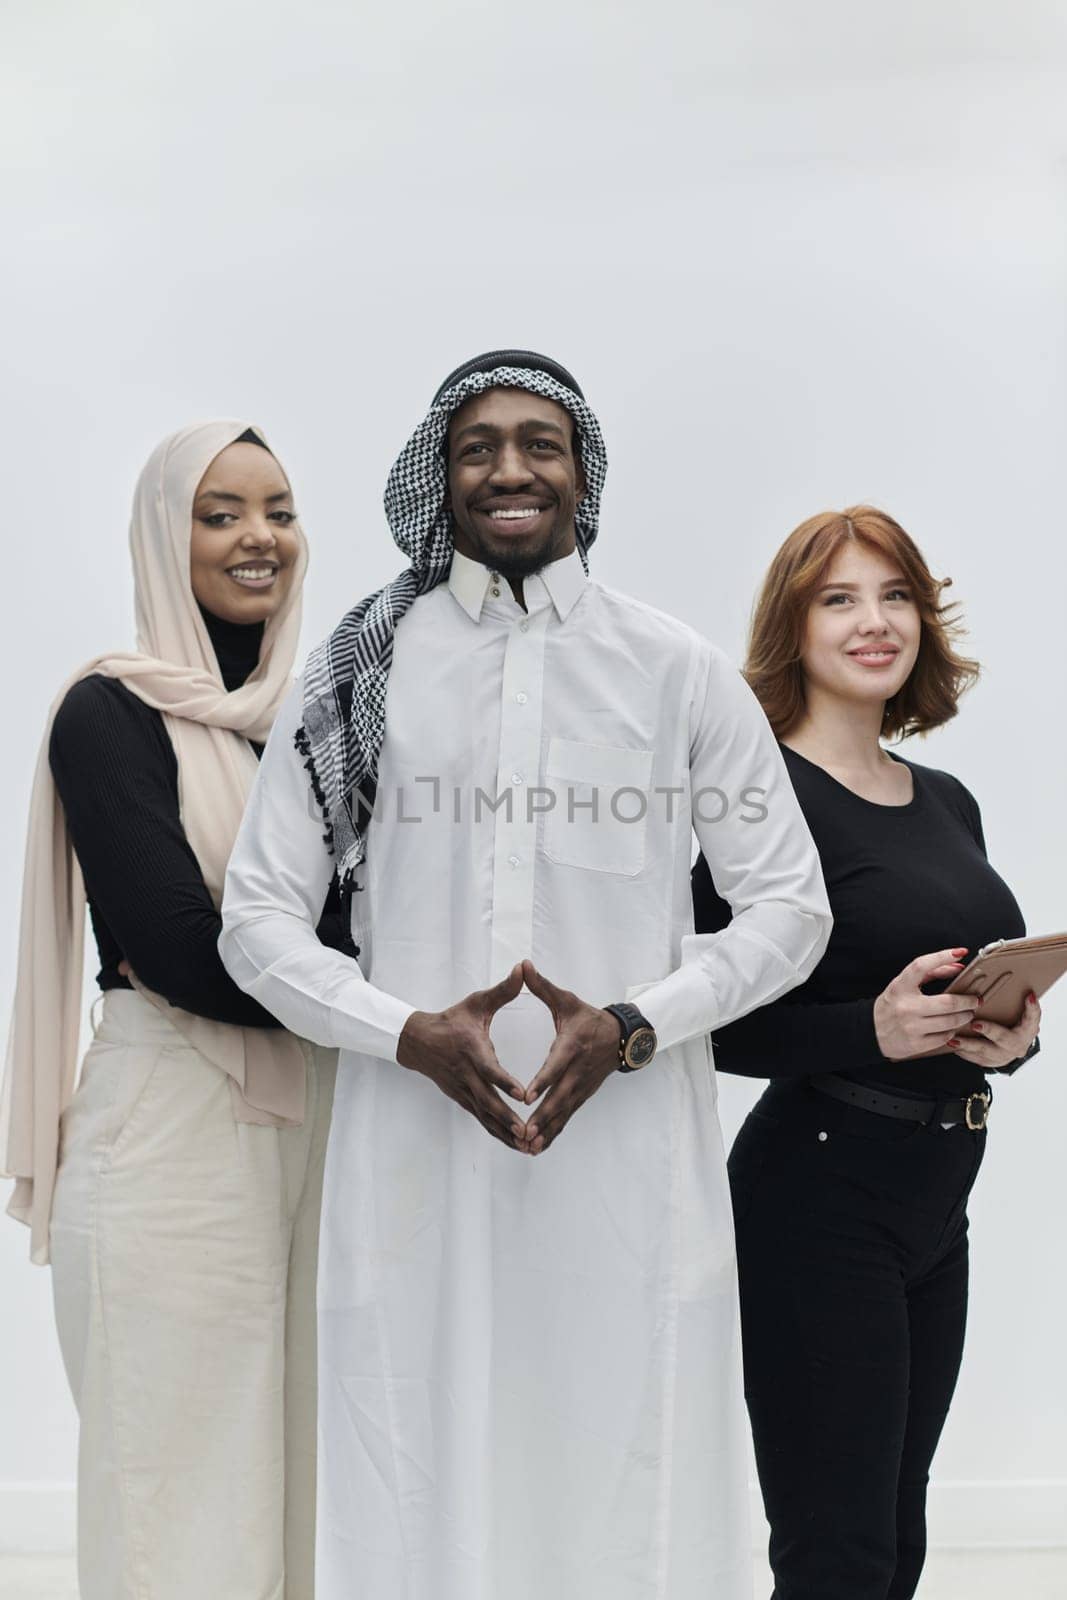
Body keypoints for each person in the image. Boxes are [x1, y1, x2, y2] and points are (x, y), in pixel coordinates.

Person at [219, 349, 833, 1600]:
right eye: (477, 445)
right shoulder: (361, 668)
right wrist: (399, 1031)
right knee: (412, 1474)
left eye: (538, 444)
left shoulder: (674, 670)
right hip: (409, 1151)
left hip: (624, 1156)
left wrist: (634, 1022)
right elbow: (256, 918)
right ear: (437, 477)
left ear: (581, 474)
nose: (509, 469)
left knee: (623, 1465)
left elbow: (789, 906)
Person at [1, 422, 344, 1600]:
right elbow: (182, 954)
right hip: (170, 1129)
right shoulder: (110, 714)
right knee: (176, 1500)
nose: (259, 539)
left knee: (299, 1486)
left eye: (279, 510)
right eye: (219, 513)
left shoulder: (322, 721)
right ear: (162, 534)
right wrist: (381, 998)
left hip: (316, 1126)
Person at [691, 506, 1042, 1600]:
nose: (873, 621)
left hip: (938, 1193)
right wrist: (868, 1029)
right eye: (837, 598)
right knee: (834, 1550)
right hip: (818, 1191)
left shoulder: (946, 801)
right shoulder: (755, 798)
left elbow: (952, 989)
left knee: (895, 1536)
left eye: (894, 595)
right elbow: (700, 1015)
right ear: (790, 627)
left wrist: (1008, 1037)